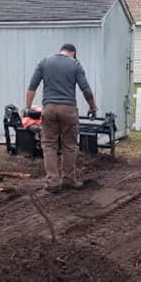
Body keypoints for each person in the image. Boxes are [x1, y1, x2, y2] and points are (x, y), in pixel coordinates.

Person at [26, 44, 97, 193]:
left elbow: (32, 86)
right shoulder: (75, 65)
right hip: (68, 109)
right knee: (69, 145)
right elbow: (86, 89)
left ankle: (52, 182)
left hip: (49, 109)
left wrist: (28, 107)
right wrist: (92, 107)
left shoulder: (44, 62)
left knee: (49, 145)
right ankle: (68, 180)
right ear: (73, 53)